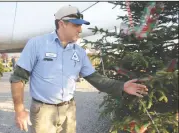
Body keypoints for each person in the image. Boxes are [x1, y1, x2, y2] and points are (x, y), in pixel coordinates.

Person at [10, 5, 148, 133]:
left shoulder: (79, 52)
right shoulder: (37, 44)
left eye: (81, 25)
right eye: (76, 25)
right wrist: (20, 110)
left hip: (69, 110)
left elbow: (95, 78)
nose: (80, 30)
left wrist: (122, 86)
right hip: (43, 111)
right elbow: (18, 78)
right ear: (61, 23)